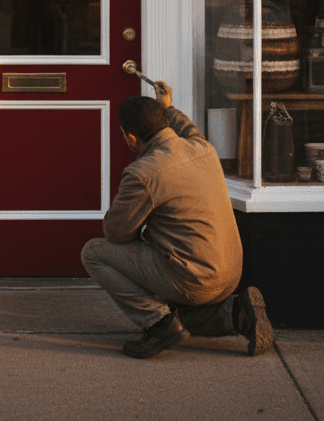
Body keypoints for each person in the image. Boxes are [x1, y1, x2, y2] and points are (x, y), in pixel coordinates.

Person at [81, 80, 273, 360]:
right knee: (182, 312)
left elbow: (116, 234)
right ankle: (238, 315)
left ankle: (157, 324)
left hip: (195, 280)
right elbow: (186, 129)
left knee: (94, 252)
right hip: (231, 272)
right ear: (165, 124)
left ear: (131, 138)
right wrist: (168, 106)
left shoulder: (142, 173)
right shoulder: (203, 148)